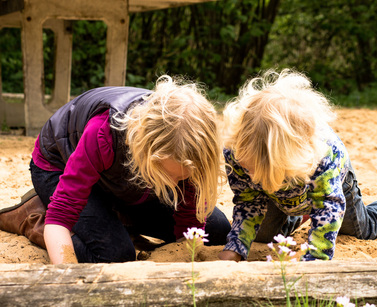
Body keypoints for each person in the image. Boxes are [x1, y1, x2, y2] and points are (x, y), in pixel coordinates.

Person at [218, 69, 377, 262]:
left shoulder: (322, 160)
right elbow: (248, 202)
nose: (250, 174)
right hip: (280, 192)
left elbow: (328, 209)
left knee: (363, 230)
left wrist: (314, 261)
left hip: (328, 185)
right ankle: (303, 213)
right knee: (263, 236)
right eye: (247, 165)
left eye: (257, 168)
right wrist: (235, 248)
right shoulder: (236, 150)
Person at [0, 75, 230, 264]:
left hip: (124, 182)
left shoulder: (190, 149)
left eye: (181, 178)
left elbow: (188, 214)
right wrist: (66, 272)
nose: (175, 184)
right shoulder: (103, 133)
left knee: (217, 230)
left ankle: (114, 217)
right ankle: (35, 217)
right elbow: (62, 216)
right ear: (148, 150)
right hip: (58, 167)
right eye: (170, 175)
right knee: (115, 256)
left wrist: (186, 253)